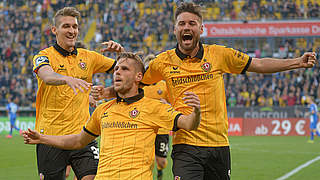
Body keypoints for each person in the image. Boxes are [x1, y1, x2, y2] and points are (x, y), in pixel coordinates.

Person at [92, 2, 317, 180]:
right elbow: (136, 80)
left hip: (218, 145)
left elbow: (257, 64)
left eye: (192, 23)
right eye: (181, 23)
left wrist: (296, 62)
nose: (186, 27)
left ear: (201, 28)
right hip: (186, 145)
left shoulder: (219, 54)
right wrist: (109, 92)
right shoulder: (163, 62)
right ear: (175, 29)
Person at [24, 52, 201, 180]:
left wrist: (196, 112)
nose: (117, 72)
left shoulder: (154, 107)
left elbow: (188, 124)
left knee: (162, 162)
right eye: (116, 68)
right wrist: (42, 138)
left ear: (139, 76)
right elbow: (78, 141)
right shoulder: (103, 110)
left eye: (124, 69)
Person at [32, 7, 123, 180]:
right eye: (66, 26)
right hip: (50, 137)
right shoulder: (43, 56)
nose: (72, 31)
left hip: (82, 136)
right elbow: (47, 75)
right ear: (54, 30)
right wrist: (67, 79)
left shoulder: (89, 57)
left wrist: (121, 53)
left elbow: (125, 70)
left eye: (75, 27)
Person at [143, 54, 170, 180]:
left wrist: (168, 104)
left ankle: (159, 172)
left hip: (162, 129)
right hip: (145, 128)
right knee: (145, 160)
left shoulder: (164, 85)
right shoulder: (140, 87)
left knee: (162, 162)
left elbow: (175, 104)